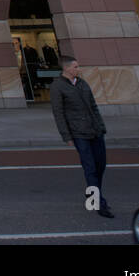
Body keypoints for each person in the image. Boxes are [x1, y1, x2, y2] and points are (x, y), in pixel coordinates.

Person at [51, 55, 113, 218]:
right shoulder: (57, 87)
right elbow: (58, 113)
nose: (78, 69)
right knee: (90, 167)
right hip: (78, 132)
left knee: (100, 165)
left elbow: (93, 106)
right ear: (66, 68)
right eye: (75, 67)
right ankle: (97, 201)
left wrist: (100, 126)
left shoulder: (82, 83)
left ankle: (93, 192)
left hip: (95, 130)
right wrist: (66, 135)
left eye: (78, 66)